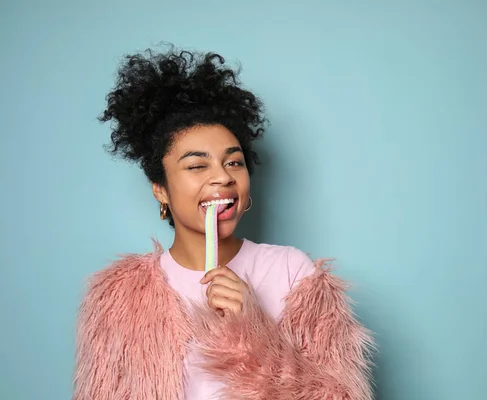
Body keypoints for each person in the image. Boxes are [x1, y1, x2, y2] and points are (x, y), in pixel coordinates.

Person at [73, 47, 374, 400]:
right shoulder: (118, 297)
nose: (223, 178)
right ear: (161, 190)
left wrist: (254, 332)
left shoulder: (293, 273)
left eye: (234, 163)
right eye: (197, 166)